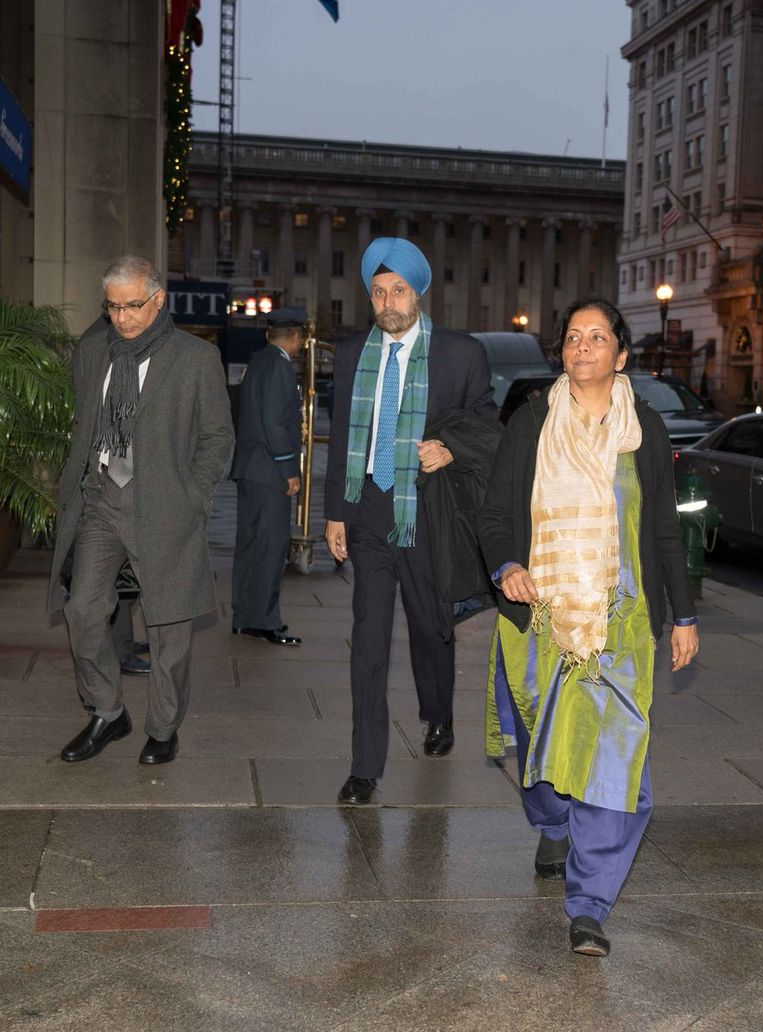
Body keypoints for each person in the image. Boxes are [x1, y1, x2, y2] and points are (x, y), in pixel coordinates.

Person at [478, 296, 699, 958]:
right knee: (541, 759)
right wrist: (508, 565)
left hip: (620, 623)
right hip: (540, 617)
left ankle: (590, 904)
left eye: (596, 338)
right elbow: (494, 514)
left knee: (616, 766)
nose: (581, 347)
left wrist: (682, 615)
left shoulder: (646, 434)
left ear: (621, 355)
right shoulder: (530, 423)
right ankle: (552, 823)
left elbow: (663, 527)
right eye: (572, 337)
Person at [325, 237, 495, 805]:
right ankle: (364, 766)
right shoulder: (352, 354)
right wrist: (335, 513)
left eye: (398, 290)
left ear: (419, 291)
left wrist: (449, 445)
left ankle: (438, 712)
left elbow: (488, 426)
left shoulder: (460, 354)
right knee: (368, 640)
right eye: (378, 291)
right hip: (370, 510)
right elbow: (343, 435)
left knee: (431, 628)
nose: (388, 301)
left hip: (429, 515)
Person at [48, 256, 234, 765]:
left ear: (158, 300)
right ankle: (108, 712)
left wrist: (191, 496)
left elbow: (218, 437)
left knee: (167, 623)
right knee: (83, 608)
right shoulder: (93, 352)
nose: (123, 318)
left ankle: (163, 726)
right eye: (113, 307)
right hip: (102, 499)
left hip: (165, 504)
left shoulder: (194, 358)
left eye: (133, 305)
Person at [230, 307, 305, 646]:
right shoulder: (279, 367)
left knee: (249, 545)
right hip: (269, 471)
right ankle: (263, 620)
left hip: (251, 469)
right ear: (296, 338)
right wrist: (289, 469)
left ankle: (244, 615)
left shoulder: (259, 361)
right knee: (270, 548)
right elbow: (275, 422)